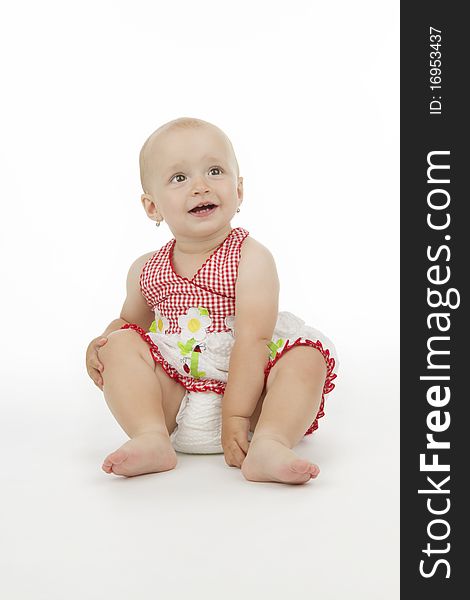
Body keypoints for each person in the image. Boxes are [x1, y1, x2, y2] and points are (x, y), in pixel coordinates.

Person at [85, 117, 338, 485]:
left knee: (307, 358)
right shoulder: (146, 269)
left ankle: (270, 443)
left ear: (239, 190)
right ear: (152, 207)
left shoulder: (250, 258)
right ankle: (150, 436)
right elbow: (130, 326)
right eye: (179, 178)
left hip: (251, 404)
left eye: (214, 171)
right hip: (175, 399)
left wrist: (235, 417)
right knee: (119, 345)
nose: (200, 187)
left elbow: (254, 339)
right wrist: (101, 344)